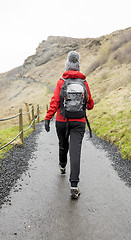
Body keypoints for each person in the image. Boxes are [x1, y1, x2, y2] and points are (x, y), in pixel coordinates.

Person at [44, 51, 94, 199]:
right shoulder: (84, 82)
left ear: (67, 66)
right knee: (75, 152)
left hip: (61, 120)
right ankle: (74, 186)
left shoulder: (61, 82)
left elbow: (55, 102)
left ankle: (62, 165)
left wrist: (48, 118)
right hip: (79, 122)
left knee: (63, 145)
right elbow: (90, 104)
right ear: (78, 66)